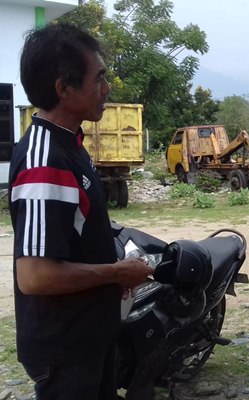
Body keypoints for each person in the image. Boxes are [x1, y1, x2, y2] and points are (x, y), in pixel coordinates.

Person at [9, 23, 154, 400]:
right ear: (63, 88)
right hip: (65, 349)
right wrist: (117, 272)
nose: (107, 89)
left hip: (88, 337)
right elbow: (36, 276)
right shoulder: (46, 159)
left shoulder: (69, 144)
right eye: (99, 78)